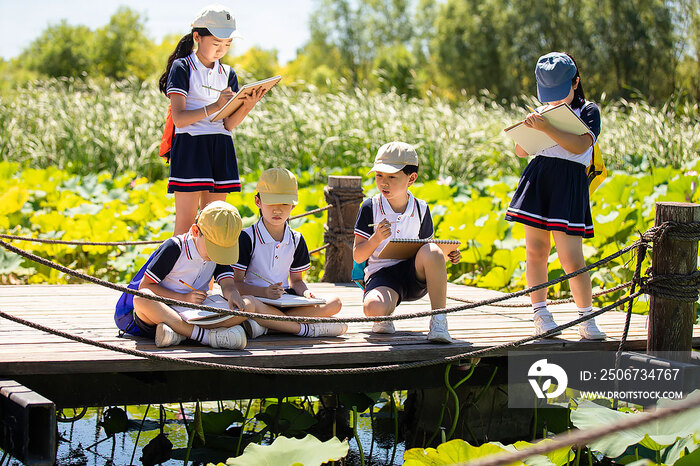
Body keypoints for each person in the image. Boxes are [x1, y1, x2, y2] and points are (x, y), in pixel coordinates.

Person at [504, 52, 606, 340]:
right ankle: (540, 313)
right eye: (549, 95)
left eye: (560, 93)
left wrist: (548, 126)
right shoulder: (542, 112)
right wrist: (527, 129)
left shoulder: (588, 111)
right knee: (536, 252)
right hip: (539, 181)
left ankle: (586, 317)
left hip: (569, 186)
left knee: (571, 258)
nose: (555, 100)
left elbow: (579, 147)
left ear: (576, 82)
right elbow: (522, 152)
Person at [157, 4, 266, 236]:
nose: (221, 49)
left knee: (214, 226)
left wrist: (248, 104)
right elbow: (179, 118)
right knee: (185, 226)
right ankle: (178, 273)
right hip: (191, 147)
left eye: (227, 44)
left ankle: (209, 274)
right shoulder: (182, 67)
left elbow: (227, 124)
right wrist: (215, 106)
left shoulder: (229, 74)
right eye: (216, 43)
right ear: (197, 37)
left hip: (221, 146)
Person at [352, 141, 461, 343]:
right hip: (382, 275)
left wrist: (447, 255)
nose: (384, 182)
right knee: (372, 308)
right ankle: (384, 316)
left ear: (411, 178)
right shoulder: (370, 206)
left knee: (434, 251)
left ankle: (439, 321)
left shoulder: (421, 208)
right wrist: (376, 238)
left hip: (413, 274)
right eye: (379, 176)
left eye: (392, 177)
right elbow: (358, 256)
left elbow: (428, 253)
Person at [115, 201, 251, 349]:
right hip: (161, 312)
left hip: (196, 314)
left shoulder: (218, 254)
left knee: (249, 304)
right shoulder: (174, 248)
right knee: (142, 298)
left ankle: (178, 334)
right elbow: (145, 286)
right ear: (195, 231)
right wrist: (183, 299)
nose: (216, 256)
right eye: (213, 249)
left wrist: (232, 294)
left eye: (222, 250)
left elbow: (227, 283)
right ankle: (207, 337)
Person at [232, 168, 347, 339]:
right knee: (248, 305)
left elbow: (297, 281)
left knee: (335, 303)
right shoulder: (247, 238)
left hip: (287, 301)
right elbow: (236, 284)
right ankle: (304, 329)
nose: (277, 210)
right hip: (258, 300)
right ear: (258, 201)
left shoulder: (296, 239)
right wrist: (265, 292)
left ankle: (267, 326)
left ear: (293, 204)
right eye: (271, 203)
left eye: (284, 204)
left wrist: (306, 293)